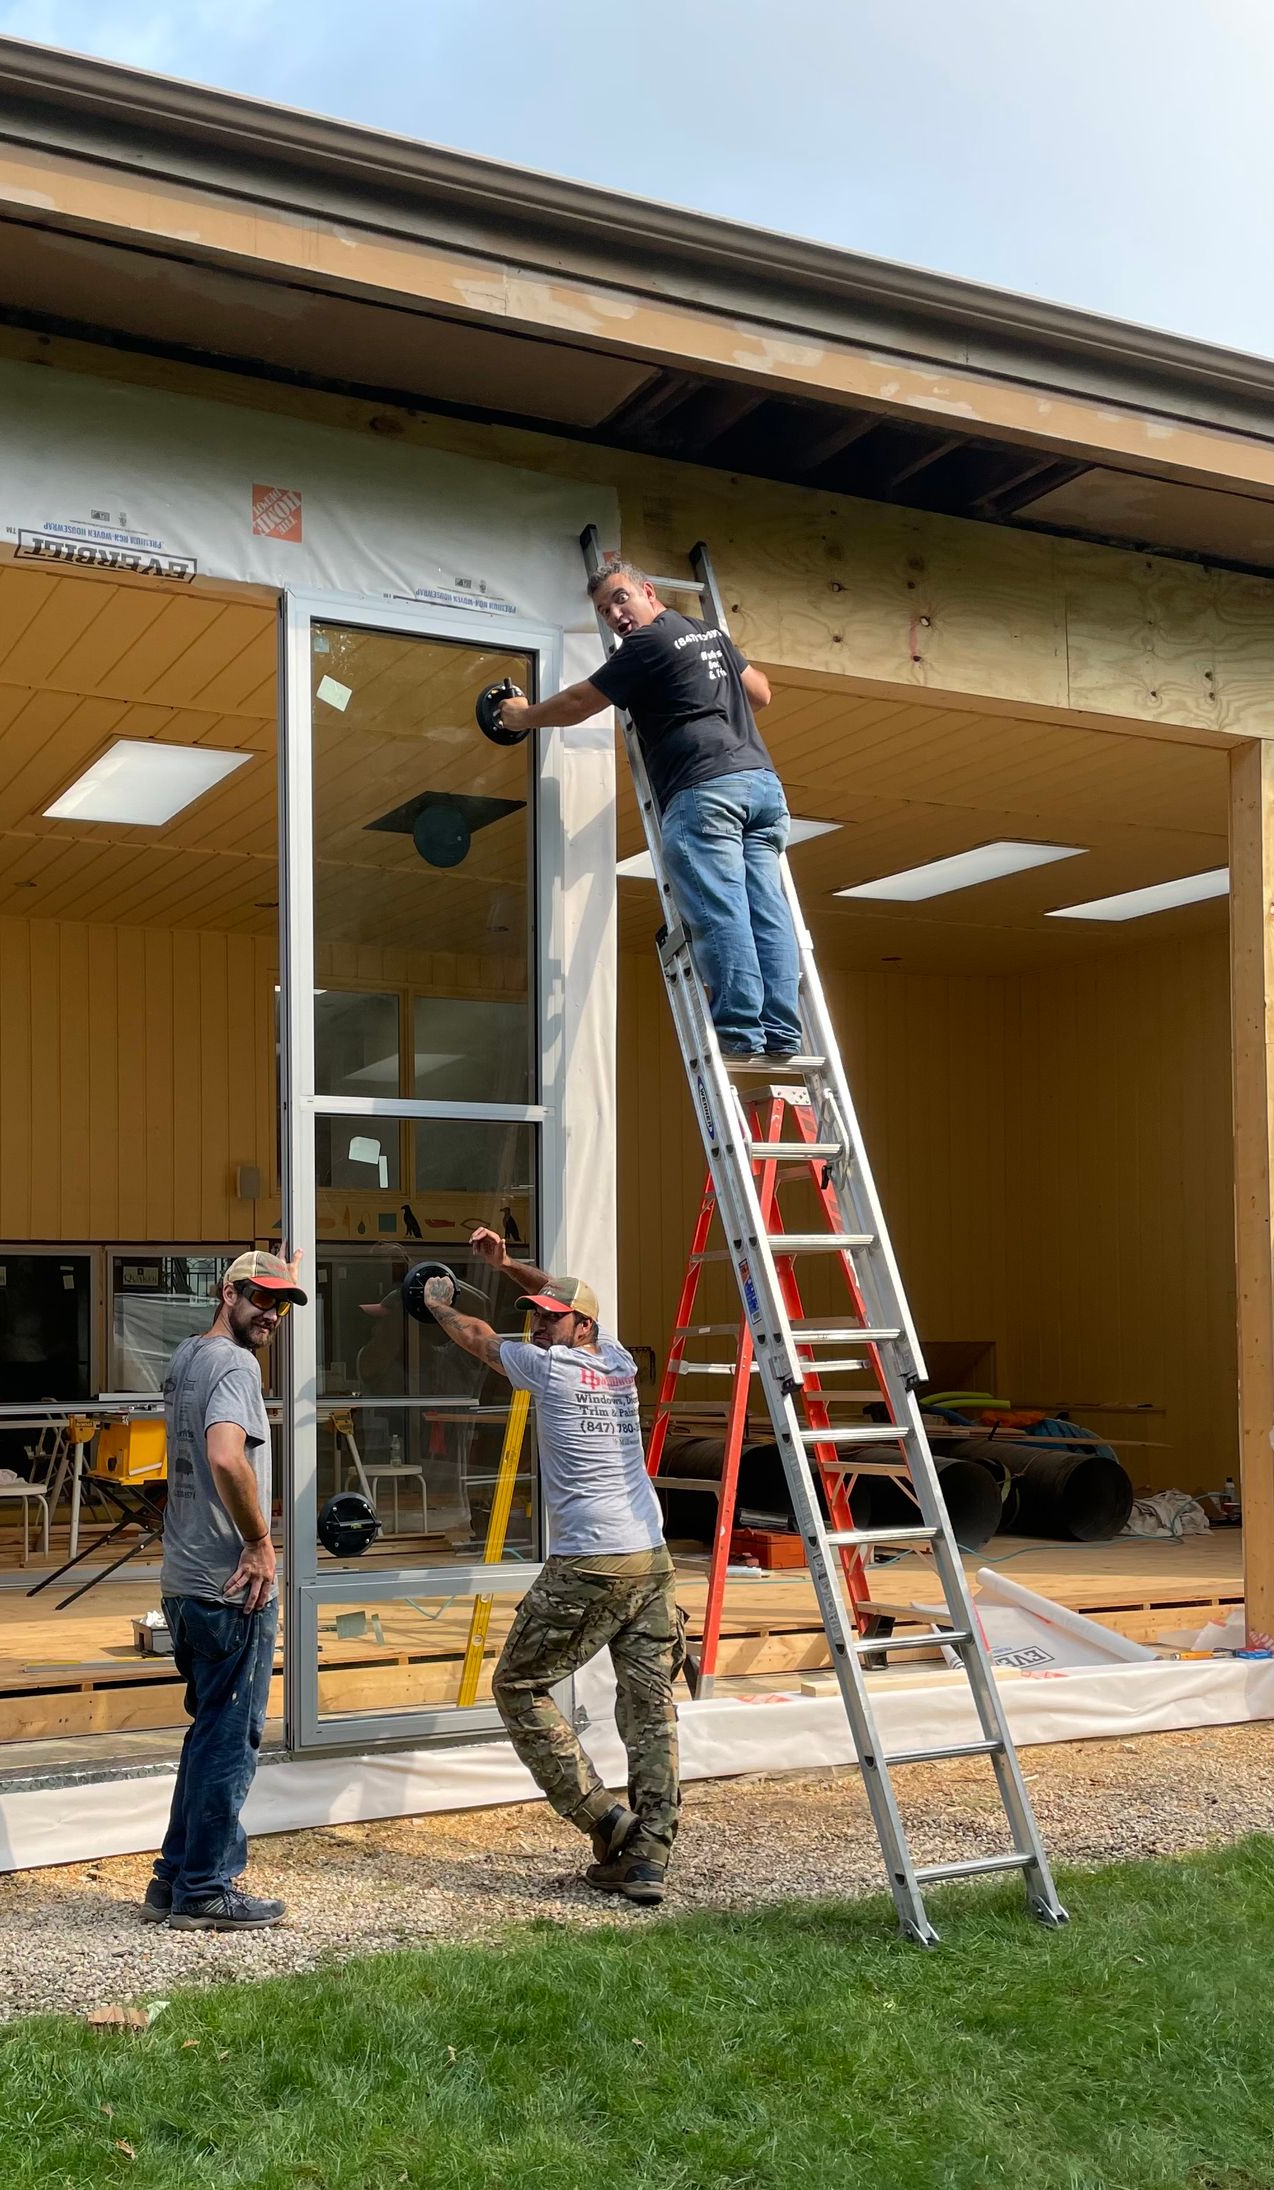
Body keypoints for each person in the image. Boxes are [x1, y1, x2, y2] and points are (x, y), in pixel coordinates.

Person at [422, 1230, 683, 1905]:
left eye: (550, 1318)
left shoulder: (553, 1369)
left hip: (591, 1560)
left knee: (518, 1686)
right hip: (650, 1559)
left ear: (581, 1327)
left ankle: (604, 1818)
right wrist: (507, 1265)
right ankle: (648, 1854)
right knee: (650, 1705)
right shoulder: (618, 1361)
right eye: (533, 1315)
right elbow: (564, 1297)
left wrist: (437, 1303)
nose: (537, 1325)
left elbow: (479, 1337)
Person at [494, 561, 800, 1063]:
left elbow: (579, 702)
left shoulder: (646, 645)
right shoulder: (708, 633)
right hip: (761, 785)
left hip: (703, 789)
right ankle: (783, 1033)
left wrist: (523, 716)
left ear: (648, 591)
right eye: (603, 610)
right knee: (766, 909)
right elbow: (761, 693)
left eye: (620, 599)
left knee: (723, 911)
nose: (615, 615)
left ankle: (743, 1032)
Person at [139, 1248, 306, 1931]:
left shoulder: (188, 1357)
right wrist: (261, 1543)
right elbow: (225, 1455)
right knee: (230, 1739)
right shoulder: (237, 1365)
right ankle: (206, 1887)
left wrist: (284, 1268)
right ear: (226, 1292)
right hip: (228, 1585)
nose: (272, 1315)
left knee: (208, 1732)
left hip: (184, 1583)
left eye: (283, 1304)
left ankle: (173, 1881)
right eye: (261, 1299)